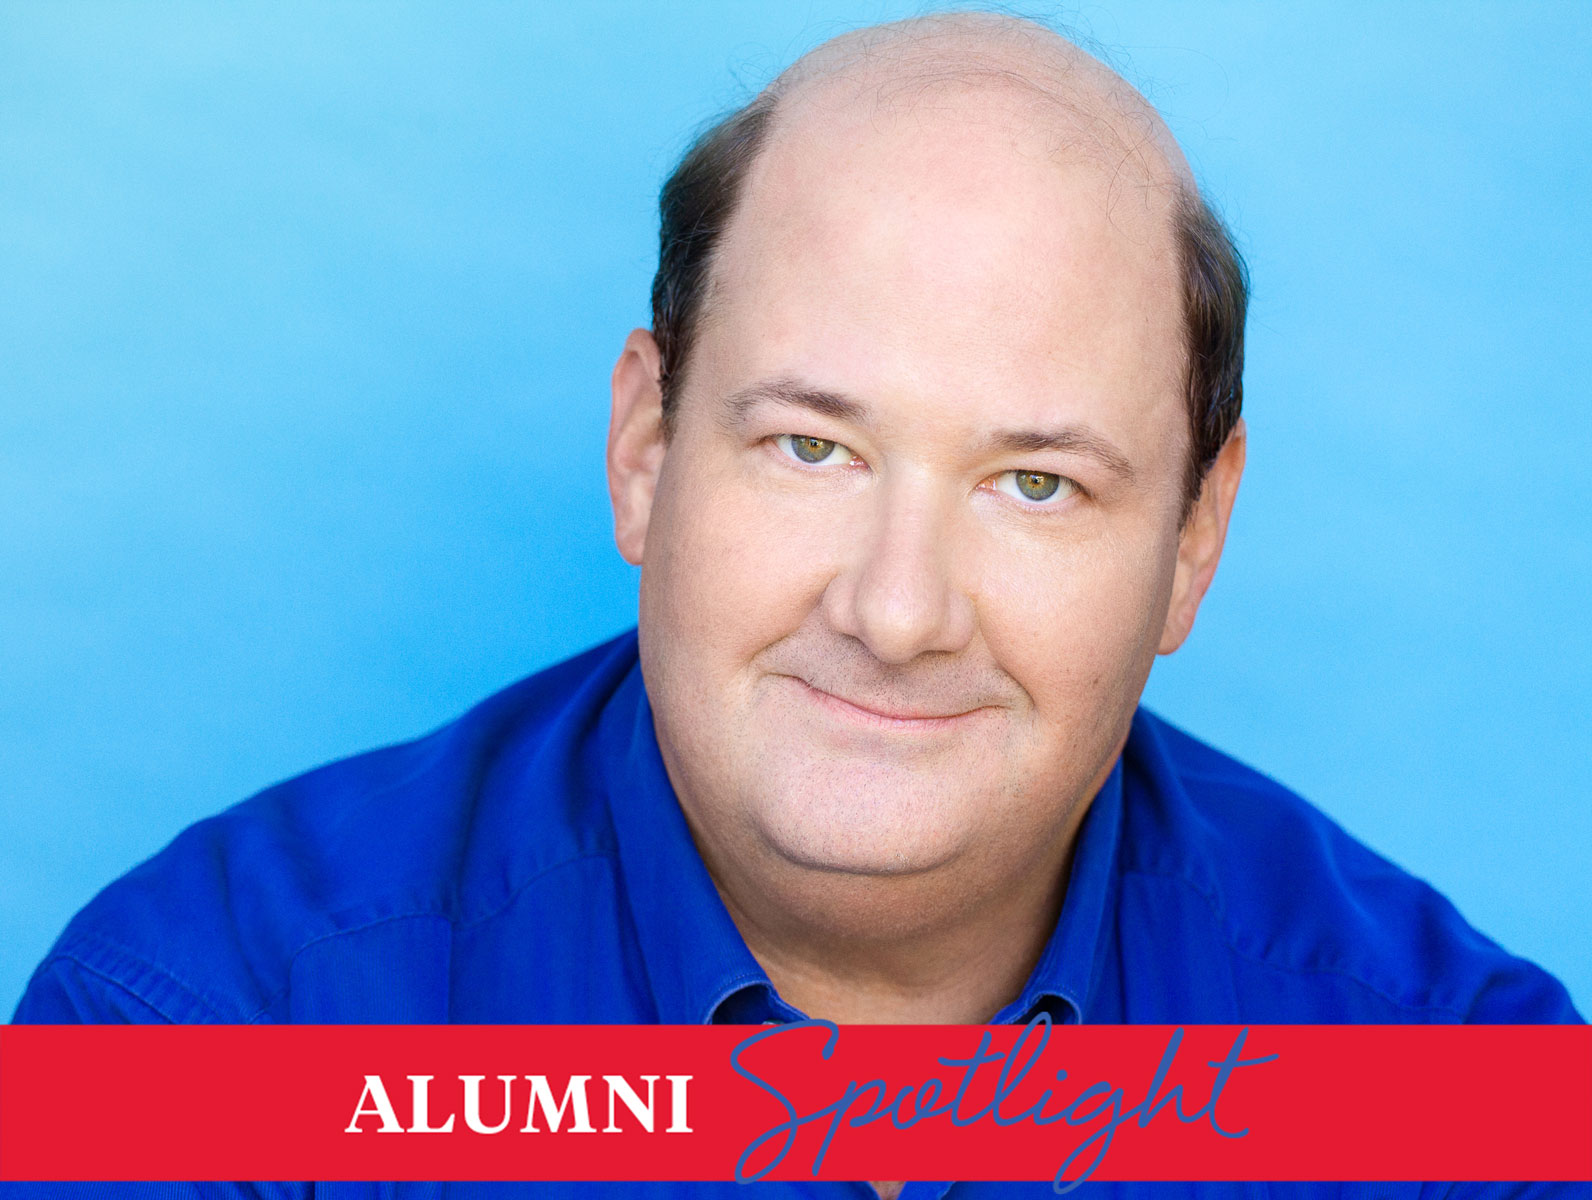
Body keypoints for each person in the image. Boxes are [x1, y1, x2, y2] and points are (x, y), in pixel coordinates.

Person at [11, 11, 1580, 1198]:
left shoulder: (1460, 1096)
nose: (898, 614)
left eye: (1036, 483)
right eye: (811, 447)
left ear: (1194, 539)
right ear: (645, 452)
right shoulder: (200, 1039)